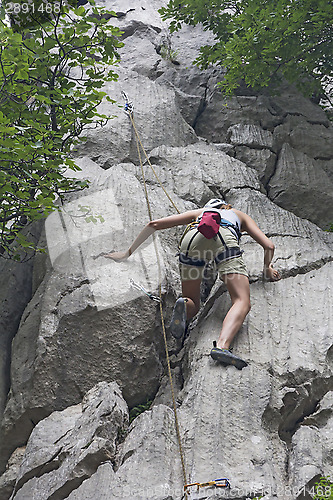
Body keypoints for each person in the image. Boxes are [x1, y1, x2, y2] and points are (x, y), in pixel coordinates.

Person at [104, 199, 281, 369]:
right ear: (226, 206)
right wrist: (267, 268)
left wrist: (126, 253)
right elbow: (269, 246)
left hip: (192, 240)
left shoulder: (200, 212)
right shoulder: (237, 214)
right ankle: (222, 346)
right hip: (225, 240)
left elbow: (153, 224)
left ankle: (184, 303)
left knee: (193, 303)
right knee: (241, 300)